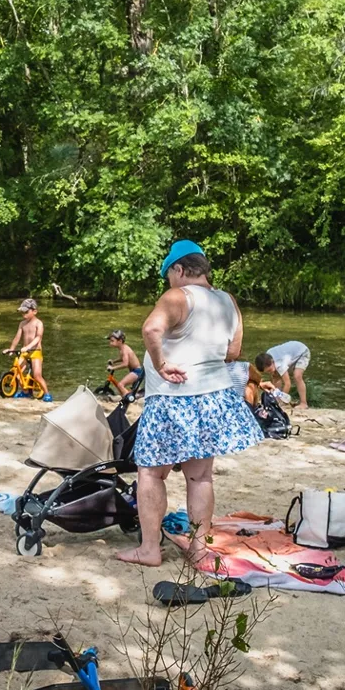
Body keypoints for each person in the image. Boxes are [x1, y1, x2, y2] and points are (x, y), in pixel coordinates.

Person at [117, 241, 263, 568]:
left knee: (151, 474)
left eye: (169, 274)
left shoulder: (177, 296)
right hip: (213, 397)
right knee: (200, 477)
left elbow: (151, 328)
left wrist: (161, 363)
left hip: (172, 398)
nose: (169, 282)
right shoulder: (228, 301)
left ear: (179, 269)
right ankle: (198, 549)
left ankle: (150, 549)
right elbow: (233, 352)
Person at [1, 298, 51, 402]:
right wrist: (11, 349)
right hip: (24, 353)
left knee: (37, 375)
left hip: (35, 352)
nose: (24, 314)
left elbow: (38, 338)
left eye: (26, 312)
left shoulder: (39, 323)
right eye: (22, 312)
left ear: (34, 311)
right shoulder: (22, 324)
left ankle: (47, 393)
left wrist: (28, 347)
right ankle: (25, 392)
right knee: (16, 370)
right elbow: (17, 337)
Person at [256, 340, 311, 408]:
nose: (270, 372)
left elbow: (287, 383)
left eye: (270, 370)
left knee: (297, 376)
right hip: (290, 352)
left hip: (302, 352)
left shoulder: (279, 364)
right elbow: (275, 378)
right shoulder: (267, 357)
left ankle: (304, 403)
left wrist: (283, 400)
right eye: (267, 372)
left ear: (272, 362)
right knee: (275, 376)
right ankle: (276, 400)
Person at [105, 329, 143, 394]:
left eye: (112, 341)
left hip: (137, 372)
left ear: (120, 341)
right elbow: (122, 358)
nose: (110, 343)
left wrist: (113, 368)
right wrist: (114, 361)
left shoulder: (125, 350)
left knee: (120, 385)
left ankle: (127, 400)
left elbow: (125, 364)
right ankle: (127, 397)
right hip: (134, 371)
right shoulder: (122, 348)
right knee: (129, 390)